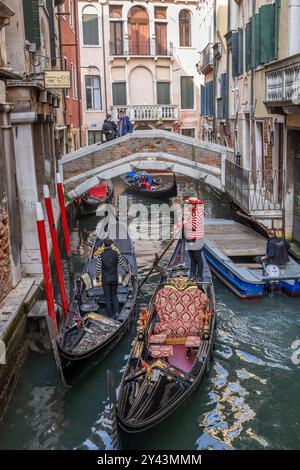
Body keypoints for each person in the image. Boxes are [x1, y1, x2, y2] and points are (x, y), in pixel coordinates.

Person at [96, 239, 130, 319]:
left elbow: (98, 268)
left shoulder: (100, 255)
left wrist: (97, 277)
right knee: (114, 295)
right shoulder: (116, 254)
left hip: (105, 279)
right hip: (114, 278)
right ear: (111, 245)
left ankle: (110, 315)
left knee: (107, 297)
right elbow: (122, 264)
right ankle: (117, 313)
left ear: (104, 245)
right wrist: (127, 271)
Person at [175, 197, 205, 280]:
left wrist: (184, 224)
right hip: (189, 238)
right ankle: (192, 274)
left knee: (198, 258)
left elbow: (193, 227)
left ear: (193, 205)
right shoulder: (191, 213)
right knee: (192, 258)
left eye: (189, 204)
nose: (187, 205)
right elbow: (186, 222)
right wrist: (177, 225)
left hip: (196, 239)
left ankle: (199, 276)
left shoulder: (198, 214)